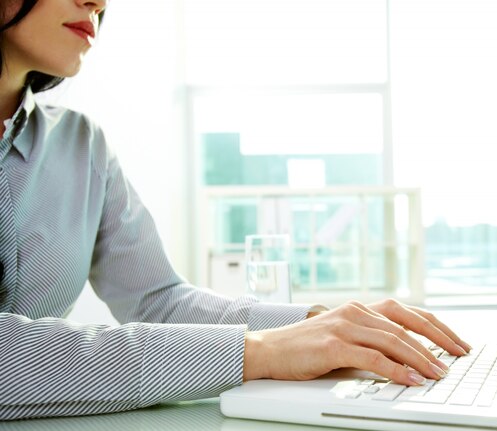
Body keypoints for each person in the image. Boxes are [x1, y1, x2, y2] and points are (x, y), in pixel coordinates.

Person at [0, 0, 472, 421]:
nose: (98, 2)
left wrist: (322, 325)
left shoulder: (82, 144)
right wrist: (257, 351)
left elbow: (159, 301)